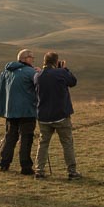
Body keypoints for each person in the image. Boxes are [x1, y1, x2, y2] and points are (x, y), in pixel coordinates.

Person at [34, 51, 81, 180]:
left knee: (43, 143)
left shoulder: (37, 76)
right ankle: (72, 171)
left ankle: (39, 171)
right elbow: (73, 82)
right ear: (56, 62)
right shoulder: (61, 73)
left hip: (43, 117)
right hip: (61, 115)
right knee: (67, 143)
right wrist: (64, 69)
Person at [0, 49, 39, 175]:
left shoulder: (5, 72)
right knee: (26, 138)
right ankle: (25, 167)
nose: (33, 60)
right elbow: (39, 88)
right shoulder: (31, 72)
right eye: (32, 57)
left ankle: (4, 164)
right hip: (27, 111)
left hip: (10, 112)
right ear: (26, 58)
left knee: (10, 137)